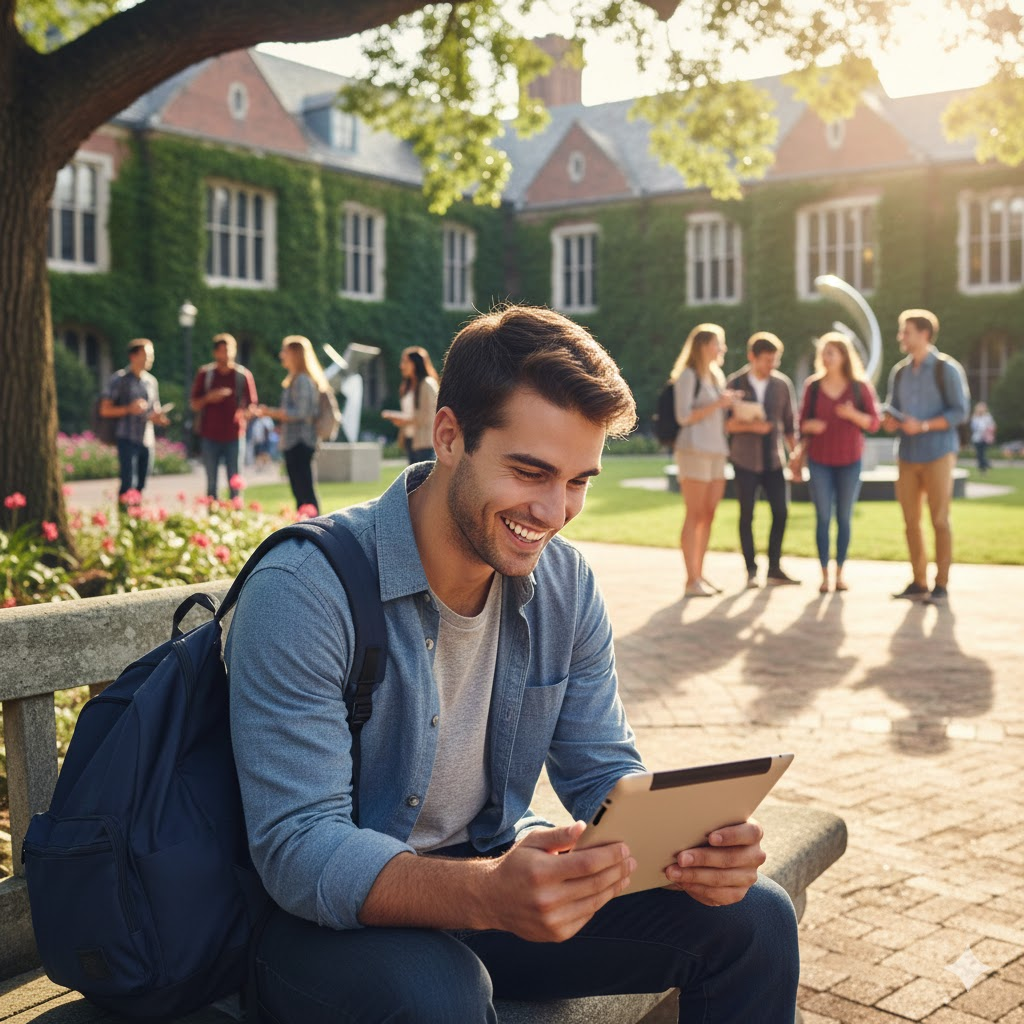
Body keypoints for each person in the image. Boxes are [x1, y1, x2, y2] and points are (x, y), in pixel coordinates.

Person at [226, 305, 799, 1024]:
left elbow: (600, 769)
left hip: (494, 882)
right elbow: (298, 848)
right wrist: (486, 893)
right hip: (326, 923)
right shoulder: (307, 589)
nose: (554, 512)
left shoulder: (565, 583)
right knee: (439, 995)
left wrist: (689, 847)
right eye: (531, 471)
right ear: (449, 436)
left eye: (579, 480)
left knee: (755, 917)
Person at [881, 309, 970, 605]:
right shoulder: (900, 372)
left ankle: (941, 584)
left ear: (924, 334)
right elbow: (894, 406)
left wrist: (923, 425)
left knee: (939, 520)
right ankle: (918, 581)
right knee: (910, 521)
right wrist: (891, 422)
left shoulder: (947, 370)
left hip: (938, 453)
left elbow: (960, 412)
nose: (901, 337)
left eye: (905, 332)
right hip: (907, 454)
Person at [794, 332, 881, 593]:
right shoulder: (813, 386)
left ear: (844, 356)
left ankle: (840, 574)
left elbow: (874, 423)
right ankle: (824, 576)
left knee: (844, 517)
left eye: (831, 352)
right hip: (819, 461)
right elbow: (801, 423)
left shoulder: (860, 387)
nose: (826, 357)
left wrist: (853, 415)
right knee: (823, 517)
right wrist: (811, 425)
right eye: (823, 352)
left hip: (850, 461)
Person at [668, 323, 740, 597]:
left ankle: (700, 573)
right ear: (703, 346)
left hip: (717, 451)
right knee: (695, 513)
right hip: (694, 450)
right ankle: (691, 581)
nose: (723, 348)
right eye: (718, 343)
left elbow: (715, 415)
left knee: (709, 514)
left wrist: (728, 404)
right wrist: (717, 404)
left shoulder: (716, 375)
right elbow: (683, 416)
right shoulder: (688, 375)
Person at [726, 332, 800, 588]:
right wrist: (752, 427)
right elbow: (726, 425)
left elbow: (790, 425)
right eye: (768, 360)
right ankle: (751, 569)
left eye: (775, 360)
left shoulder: (782, 385)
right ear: (752, 357)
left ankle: (774, 568)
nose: (772, 365)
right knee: (747, 515)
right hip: (744, 460)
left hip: (774, 461)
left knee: (781, 512)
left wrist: (796, 456)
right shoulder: (734, 383)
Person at [255, 335, 327, 513]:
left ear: (296, 354)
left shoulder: (302, 380)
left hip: (300, 441)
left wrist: (271, 412)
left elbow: (302, 412)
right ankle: (306, 524)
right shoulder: (296, 379)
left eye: (285, 351)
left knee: (305, 492)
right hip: (296, 441)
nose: (281, 355)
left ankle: (313, 526)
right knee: (301, 491)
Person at [190, 333, 258, 500]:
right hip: (210, 434)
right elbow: (194, 404)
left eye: (228, 350)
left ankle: (235, 511)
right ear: (215, 353)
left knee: (235, 480)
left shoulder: (242, 375)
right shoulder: (206, 374)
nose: (225, 355)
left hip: (234, 434)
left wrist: (247, 412)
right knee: (211, 482)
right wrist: (209, 398)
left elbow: (252, 404)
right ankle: (213, 511)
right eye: (221, 351)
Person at [99, 338, 170, 499]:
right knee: (127, 483)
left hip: (147, 440)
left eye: (151, 355)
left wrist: (158, 418)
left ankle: (137, 513)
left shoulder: (151, 381)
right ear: (133, 356)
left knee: (141, 485)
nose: (150, 359)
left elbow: (154, 410)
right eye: (147, 355)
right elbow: (105, 410)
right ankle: (124, 513)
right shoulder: (119, 379)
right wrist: (128, 409)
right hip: (126, 437)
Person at [382, 346, 440, 463]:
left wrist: (402, 420)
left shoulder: (427, 384)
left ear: (415, 364)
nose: (401, 366)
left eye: (405, 362)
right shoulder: (407, 386)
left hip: (425, 443)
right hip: (410, 441)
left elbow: (427, 416)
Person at [970, 401, 996, 473]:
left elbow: (992, 426)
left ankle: (986, 465)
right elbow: (973, 428)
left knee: (982, 453)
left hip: (985, 438)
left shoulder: (988, 417)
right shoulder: (975, 417)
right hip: (977, 438)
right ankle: (983, 468)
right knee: (979, 454)